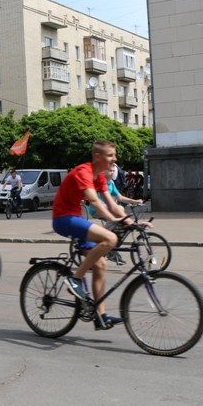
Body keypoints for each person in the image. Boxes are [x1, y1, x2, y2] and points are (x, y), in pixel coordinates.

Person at [51, 140, 137, 330]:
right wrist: (114, 220)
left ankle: (101, 316)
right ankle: (75, 279)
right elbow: (95, 202)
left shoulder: (100, 177)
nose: (114, 159)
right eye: (110, 155)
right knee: (110, 238)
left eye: (114, 155)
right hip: (63, 218)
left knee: (101, 264)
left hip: (76, 218)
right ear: (97, 156)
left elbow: (113, 204)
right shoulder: (84, 172)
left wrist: (131, 222)